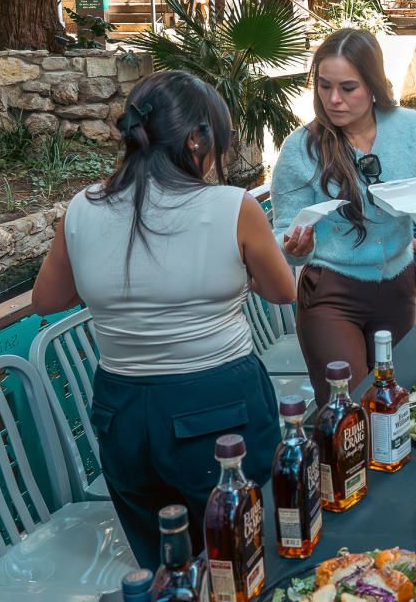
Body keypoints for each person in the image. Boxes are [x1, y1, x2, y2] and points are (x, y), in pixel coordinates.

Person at [31, 71, 296, 571]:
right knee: (245, 554)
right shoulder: (232, 206)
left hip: (124, 415)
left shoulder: (82, 209)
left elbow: (48, 299)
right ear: (196, 138)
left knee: (164, 565)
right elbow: (283, 290)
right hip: (220, 405)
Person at [272, 29, 416, 407]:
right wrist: (295, 247)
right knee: (351, 407)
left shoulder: (412, 129)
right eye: (324, 86)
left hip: (399, 287)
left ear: (373, 85)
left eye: (347, 88)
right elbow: (283, 232)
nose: (333, 99)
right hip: (331, 293)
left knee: (400, 403)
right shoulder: (301, 148)